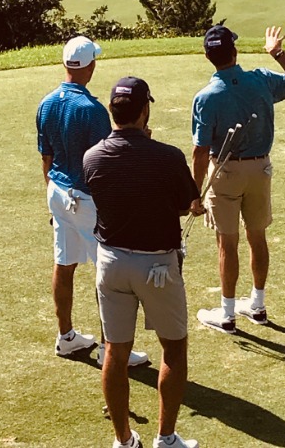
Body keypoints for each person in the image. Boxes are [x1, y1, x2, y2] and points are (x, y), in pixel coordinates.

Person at [84, 77, 200, 448]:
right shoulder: (168, 156)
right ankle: (166, 439)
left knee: (115, 352)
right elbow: (183, 205)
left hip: (111, 263)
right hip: (157, 267)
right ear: (144, 111)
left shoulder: (92, 157)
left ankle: (123, 441)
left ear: (112, 111)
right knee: (174, 349)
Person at [191, 24, 285, 334]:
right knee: (256, 237)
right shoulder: (261, 79)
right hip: (260, 170)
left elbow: (200, 152)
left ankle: (227, 314)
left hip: (225, 173)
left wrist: (194, 193)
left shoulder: (205, 97)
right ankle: (257, 306)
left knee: (226, 243)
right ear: (235, 52)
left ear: (208, 57)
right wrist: (277, 53)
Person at [36, 36, 148, 367]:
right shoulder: (92, 110)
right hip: (87, 199)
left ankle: (66, 337)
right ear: (91, 66)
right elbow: (105, 162)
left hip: (57, 190)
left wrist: (52, 201)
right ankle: (108, 349)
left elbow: (46, 157)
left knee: (64, 262)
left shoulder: (46, 103)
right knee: (107, 272)